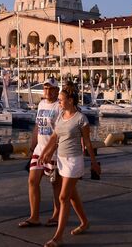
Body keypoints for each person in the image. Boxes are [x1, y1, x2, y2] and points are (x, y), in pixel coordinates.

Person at [40, 82, 100, 247]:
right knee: (72, 196)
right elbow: (54, 137)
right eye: (59, 100)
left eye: (61, 99)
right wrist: (44, 153)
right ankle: (85, 222)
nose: (59, 102)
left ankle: (58, 237)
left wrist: (93, 162)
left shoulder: (81, 119)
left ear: (71, 101)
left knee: (63, 197)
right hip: (61, 160)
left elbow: (87, 142)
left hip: (74, 161)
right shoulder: (60, 116)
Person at [18, 78, 61, 228]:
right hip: (39, 150)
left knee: (56, 185)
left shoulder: (59, 107)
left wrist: (50, 151)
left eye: (51, 89)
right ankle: (34, 216)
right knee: (32, 181)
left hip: (54, 152)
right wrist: (32, 147)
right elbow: (38, 126)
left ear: (57, 91)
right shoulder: (42, 104)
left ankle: (56, 216)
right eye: (46, 88)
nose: (48, 91)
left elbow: (60, 133)